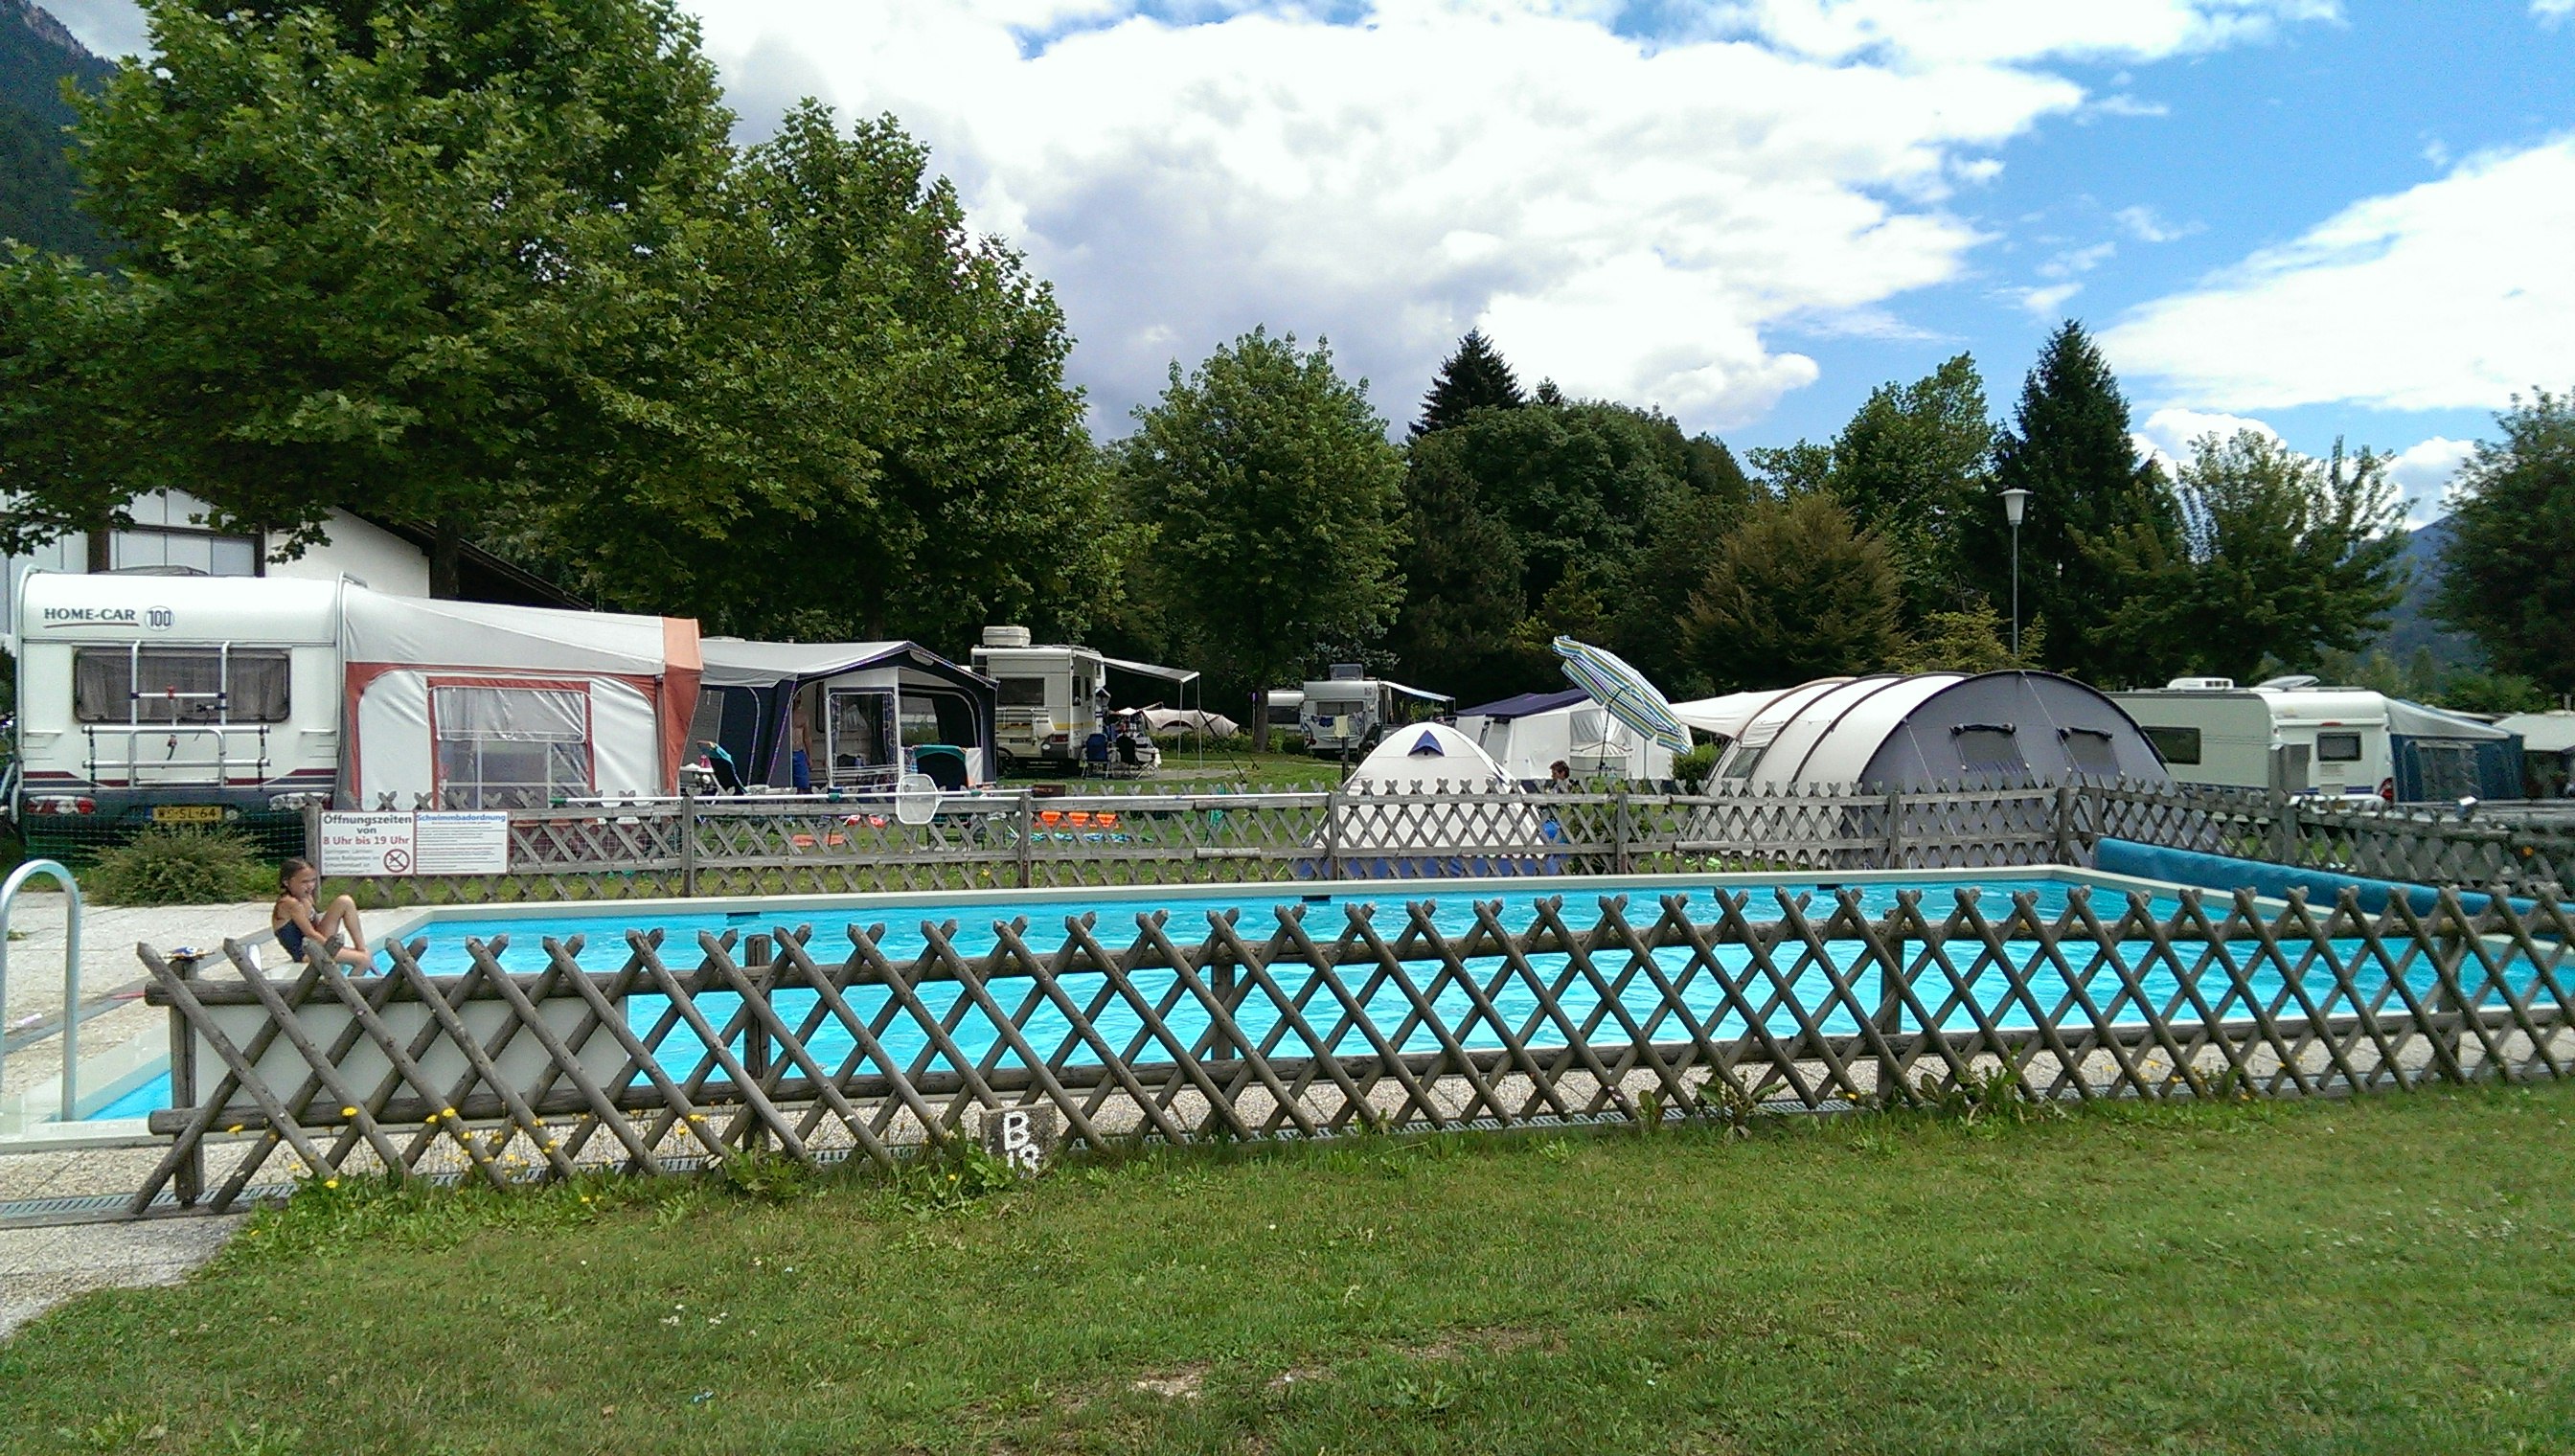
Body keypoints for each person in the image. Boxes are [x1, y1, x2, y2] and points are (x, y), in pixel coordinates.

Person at [271, 857, 377, 971]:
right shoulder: (289, 903)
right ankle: (348, 987)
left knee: (345, 901)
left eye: (313, 880)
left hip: (317, 944)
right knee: (362, 960)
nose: (310, 886)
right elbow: (311, 934)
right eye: (304, 882)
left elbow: (317, 927)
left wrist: (352, 951)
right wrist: (338, 949)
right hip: (306, 953)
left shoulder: (306, 897)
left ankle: (361, 947)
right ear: (286, 882)